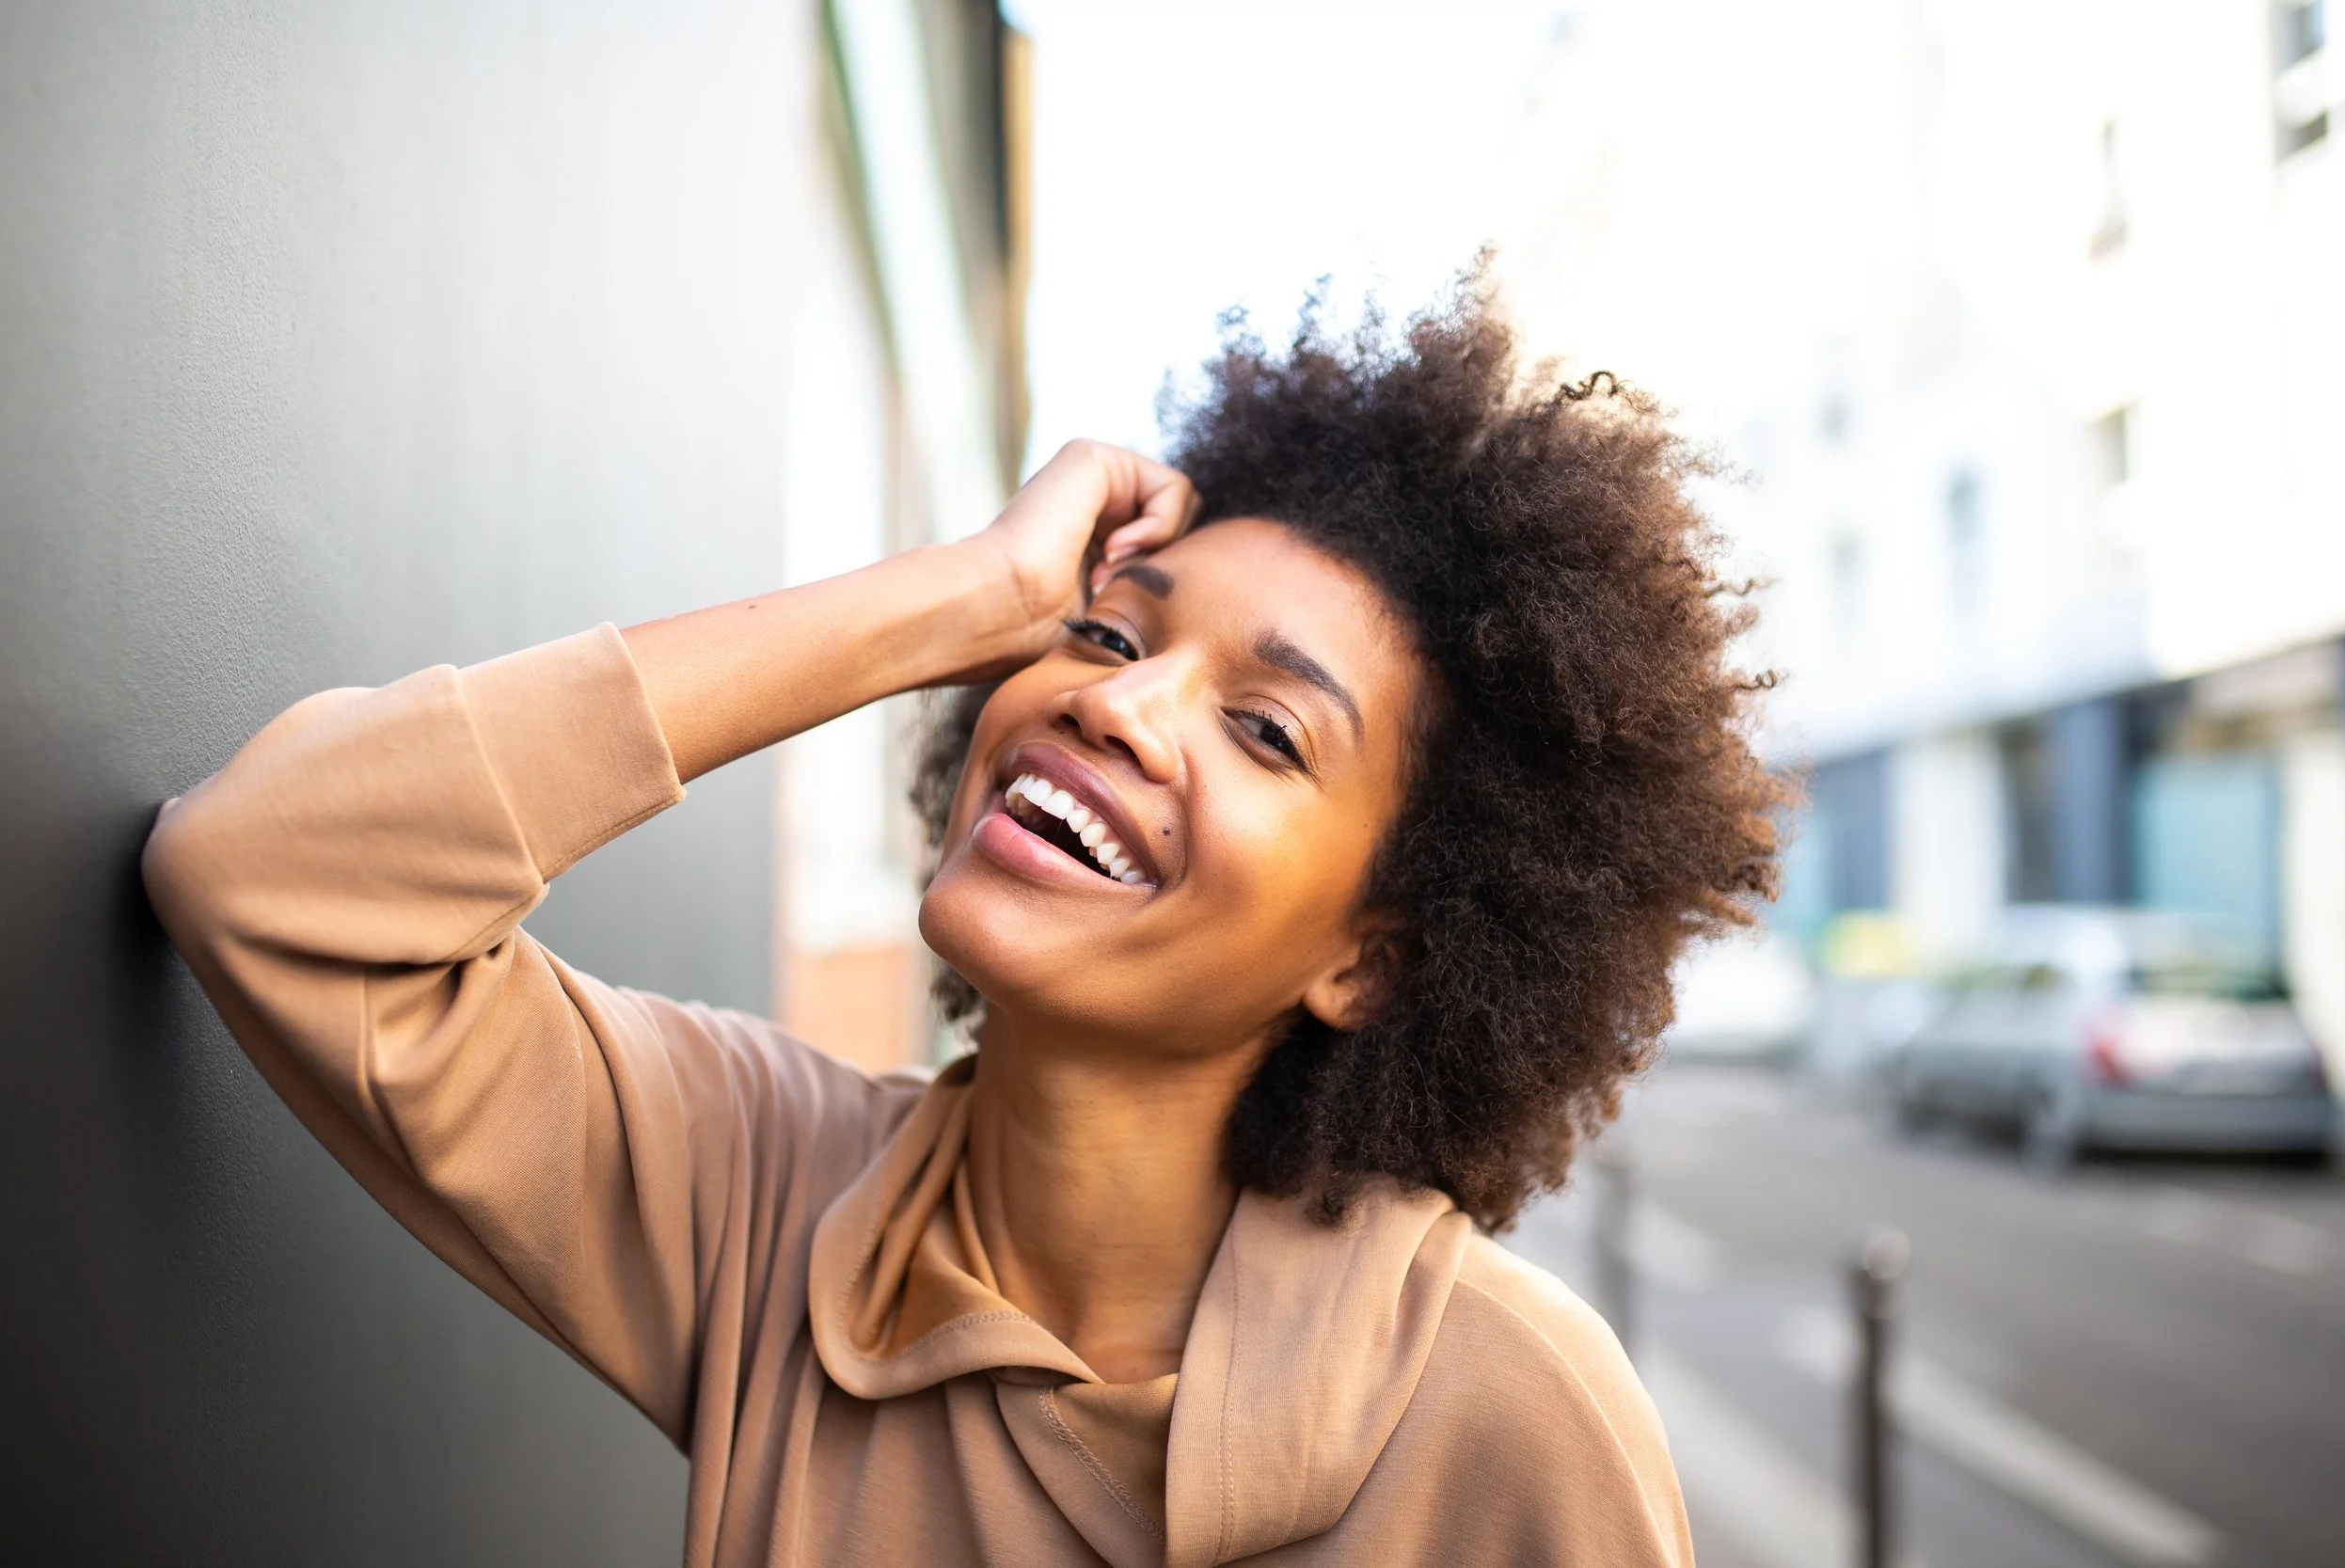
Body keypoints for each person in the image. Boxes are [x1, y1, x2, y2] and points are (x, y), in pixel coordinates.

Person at [144, 280, 1783, 1567]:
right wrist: (957, 595)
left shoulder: (1510, 1429)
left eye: (1268, 729)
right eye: (1101, 630)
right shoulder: (766, 1193)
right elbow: (269, 869)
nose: (1122, 705)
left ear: (1375, 955)